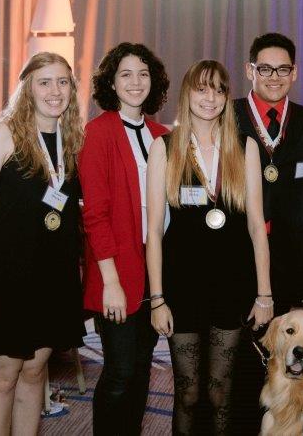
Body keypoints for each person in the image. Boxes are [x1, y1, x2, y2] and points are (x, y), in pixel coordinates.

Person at [145, 60, 272, 436]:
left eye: (219, 90)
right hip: (181, 286)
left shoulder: (245, 147)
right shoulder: (164, 147)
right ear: (187, 93)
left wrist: (264, 294)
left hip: (232, 285)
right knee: (187, 393)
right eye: (202, 89)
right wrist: (157, 299)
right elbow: (154, 231)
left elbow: (257, 227)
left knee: (220, 393)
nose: (210, 98)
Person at [0, 52, 86, 434]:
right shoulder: (4, 135)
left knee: (34, 373)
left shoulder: (72, 140)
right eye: (44, 82)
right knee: (2, 377)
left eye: (62, 82)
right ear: (27, 89)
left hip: (54, 277)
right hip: (7, 278)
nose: (54, 91)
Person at [231, 33, 303, 432]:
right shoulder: (227, 118)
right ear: (249, 70)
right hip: (235, 256)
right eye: (265, 68)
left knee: (287, 361)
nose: (274, 77)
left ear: (295, 72)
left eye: (282, 69)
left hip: (288, 259)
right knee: (236, 358)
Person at [80, 43, 170, 435]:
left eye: (143, 74)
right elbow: (95, 216)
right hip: (116, 268)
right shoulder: (98, 133)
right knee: (119, 371)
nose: (136, 82)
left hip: (155, 267)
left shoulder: (162, 134)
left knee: (141, 370)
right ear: (112, 83)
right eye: (126, 74)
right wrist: (111, 282)